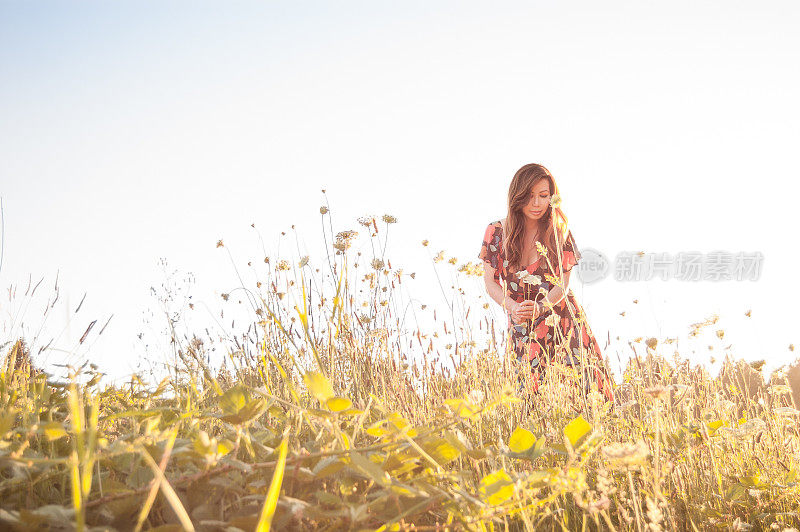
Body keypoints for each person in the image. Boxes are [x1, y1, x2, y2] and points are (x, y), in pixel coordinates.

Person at [478, 163, 614, 403]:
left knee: (586, 396)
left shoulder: (559, 230)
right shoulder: (496, 231)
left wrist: (542, 307)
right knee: (529, 399)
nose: (537, 204)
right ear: (517, 195)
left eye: (543, 196)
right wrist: (512, 307)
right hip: (522, 323)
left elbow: (563, 282)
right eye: (530, 196)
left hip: (564, 322)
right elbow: (490, 282)